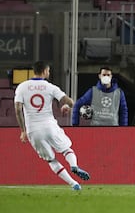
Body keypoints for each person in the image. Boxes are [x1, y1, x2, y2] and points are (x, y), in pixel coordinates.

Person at [14, 61, 90, 191]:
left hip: (33, 130)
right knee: (66, 149)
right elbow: (70, 102)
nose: (49, 73)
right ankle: (74, 165)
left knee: (51, 160)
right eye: (48, 71)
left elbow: (17, 109)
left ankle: (74, 184)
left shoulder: (22, 87)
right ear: (44, 71)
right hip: (49, 125)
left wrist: (23, 131)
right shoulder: (50, 87)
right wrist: (66, 106)